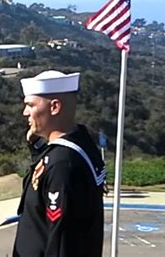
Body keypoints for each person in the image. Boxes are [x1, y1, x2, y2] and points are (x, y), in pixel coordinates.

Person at [13, 70, 107, 257]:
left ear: (54, 107)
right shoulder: (79, 144)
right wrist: (38, 147)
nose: (25, 113)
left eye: (30, 105)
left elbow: (62, 241)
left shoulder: (63, 165)